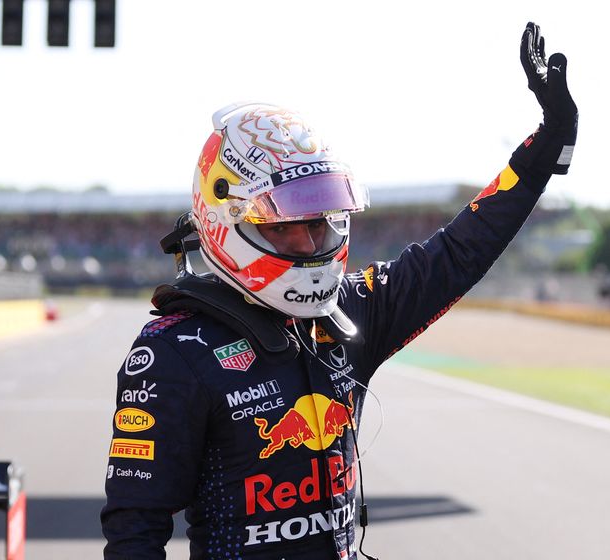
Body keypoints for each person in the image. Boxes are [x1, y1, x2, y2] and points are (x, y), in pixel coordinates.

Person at [101, 21, 578, 560]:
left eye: (320, 220)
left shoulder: (347, 312)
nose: (309, 241)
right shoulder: (170, 354)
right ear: (223, 219)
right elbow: (134, 535)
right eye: (284, 224)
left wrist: (548, 146)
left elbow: (460, 250)